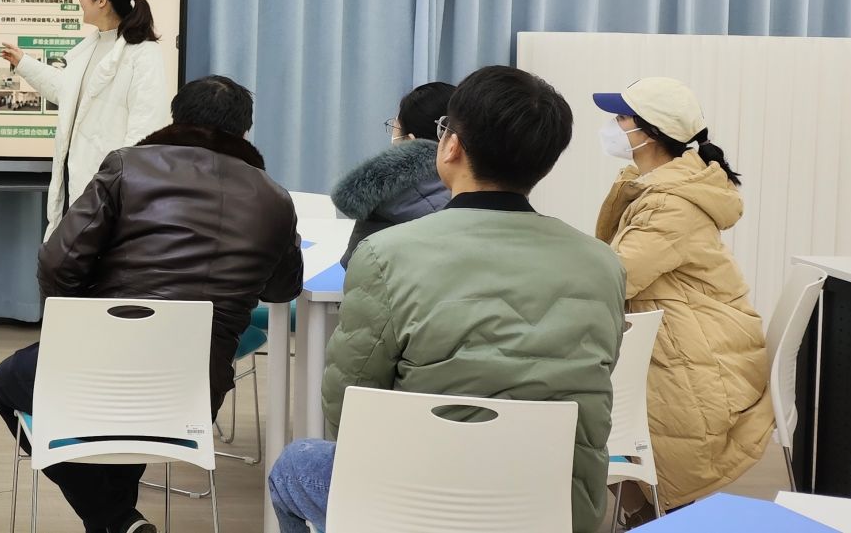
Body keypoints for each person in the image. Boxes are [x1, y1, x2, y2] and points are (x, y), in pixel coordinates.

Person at [268, 66, 626, 533]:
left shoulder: (385, 254)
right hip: (556, 508)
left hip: (420, 506)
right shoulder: (603, 264)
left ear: (450, 145)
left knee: (295, 464)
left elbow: (348, 405)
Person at [0, 75, 303, 533]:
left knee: (7, 381)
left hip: (95, 373)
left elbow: (57, 262)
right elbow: (283, 289)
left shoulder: (127, 167)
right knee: (136, 419)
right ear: (244, 130)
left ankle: (115, 520)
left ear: (176, 118)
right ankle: (118, 522)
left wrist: (77, 328)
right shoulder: (276, 199)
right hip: (194, 393)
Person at [593, 77, 771, 510]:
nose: (613, 126)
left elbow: (616, 277)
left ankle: (646, 512)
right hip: (702, 335)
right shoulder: (657, 186)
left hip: (701, 356)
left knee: (579, 395)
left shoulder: (669, 203)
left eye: (622, 117)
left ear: (650, 132)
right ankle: (640, 511)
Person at [0, 0, 171, 237]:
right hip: (78, 178)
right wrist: (24, 63)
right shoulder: (92, 46)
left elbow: (147, 127)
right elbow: (65, 91)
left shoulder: (143, 54)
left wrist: (123, 187)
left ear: (102, 0)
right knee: (73, 250)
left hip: (113, 188)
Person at [333, 81, 455, 268]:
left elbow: (355, 267)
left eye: (395, 128)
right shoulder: (478, 186)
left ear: (410, 142)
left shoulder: (386, 195)